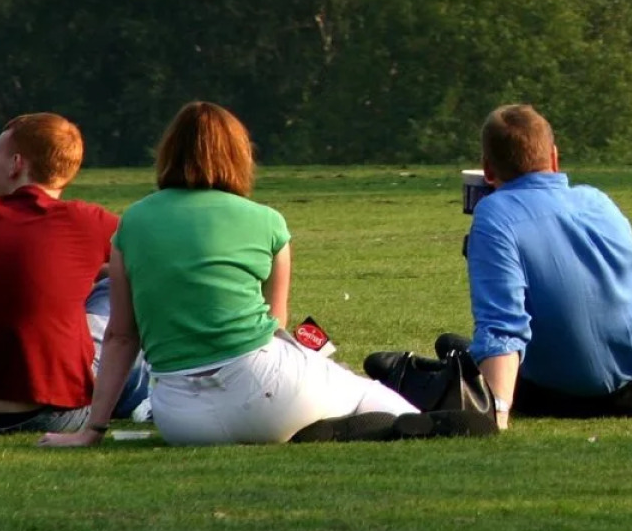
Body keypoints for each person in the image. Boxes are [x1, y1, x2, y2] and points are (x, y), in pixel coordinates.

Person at [38, 101, 416, 447]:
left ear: (168, 152)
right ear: (239, 155)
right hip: (269, 394)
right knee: (386, 405)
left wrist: (93, 430)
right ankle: (361, 421)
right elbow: (276, 322)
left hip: (183, 420)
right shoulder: (268, 221)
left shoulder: (133, 222)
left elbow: (121, 336)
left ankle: (314, 423)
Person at [395, 105, 632, 429]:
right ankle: (473, 362)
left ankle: (470, 370)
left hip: (569, 395)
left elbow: (502, 324)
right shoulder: (596, 200)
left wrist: (494, 413)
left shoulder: (494, 215)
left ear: (487, 169)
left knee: (391, 367)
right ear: (554, 158)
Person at [0, 114, 150, 434]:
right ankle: (136, 396)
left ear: (16, 164)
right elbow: (142, 264)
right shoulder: (89, 221)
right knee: (118, 283)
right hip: (58, 414)